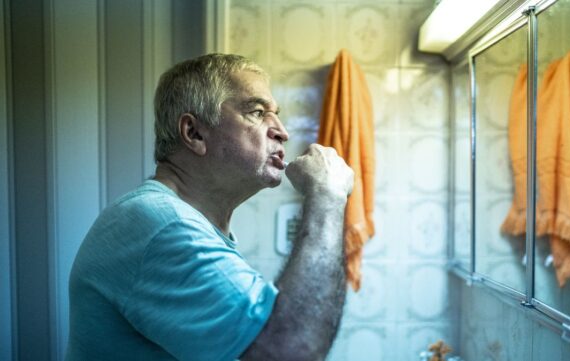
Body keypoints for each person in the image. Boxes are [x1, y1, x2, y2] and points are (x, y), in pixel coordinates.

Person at [66, 53, 354, 361]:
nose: (282, 131)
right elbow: (292, 352)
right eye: (257, 112)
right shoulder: (164, 226)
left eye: (276, 114)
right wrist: (327, 195)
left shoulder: (177, 221)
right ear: (195, 133)